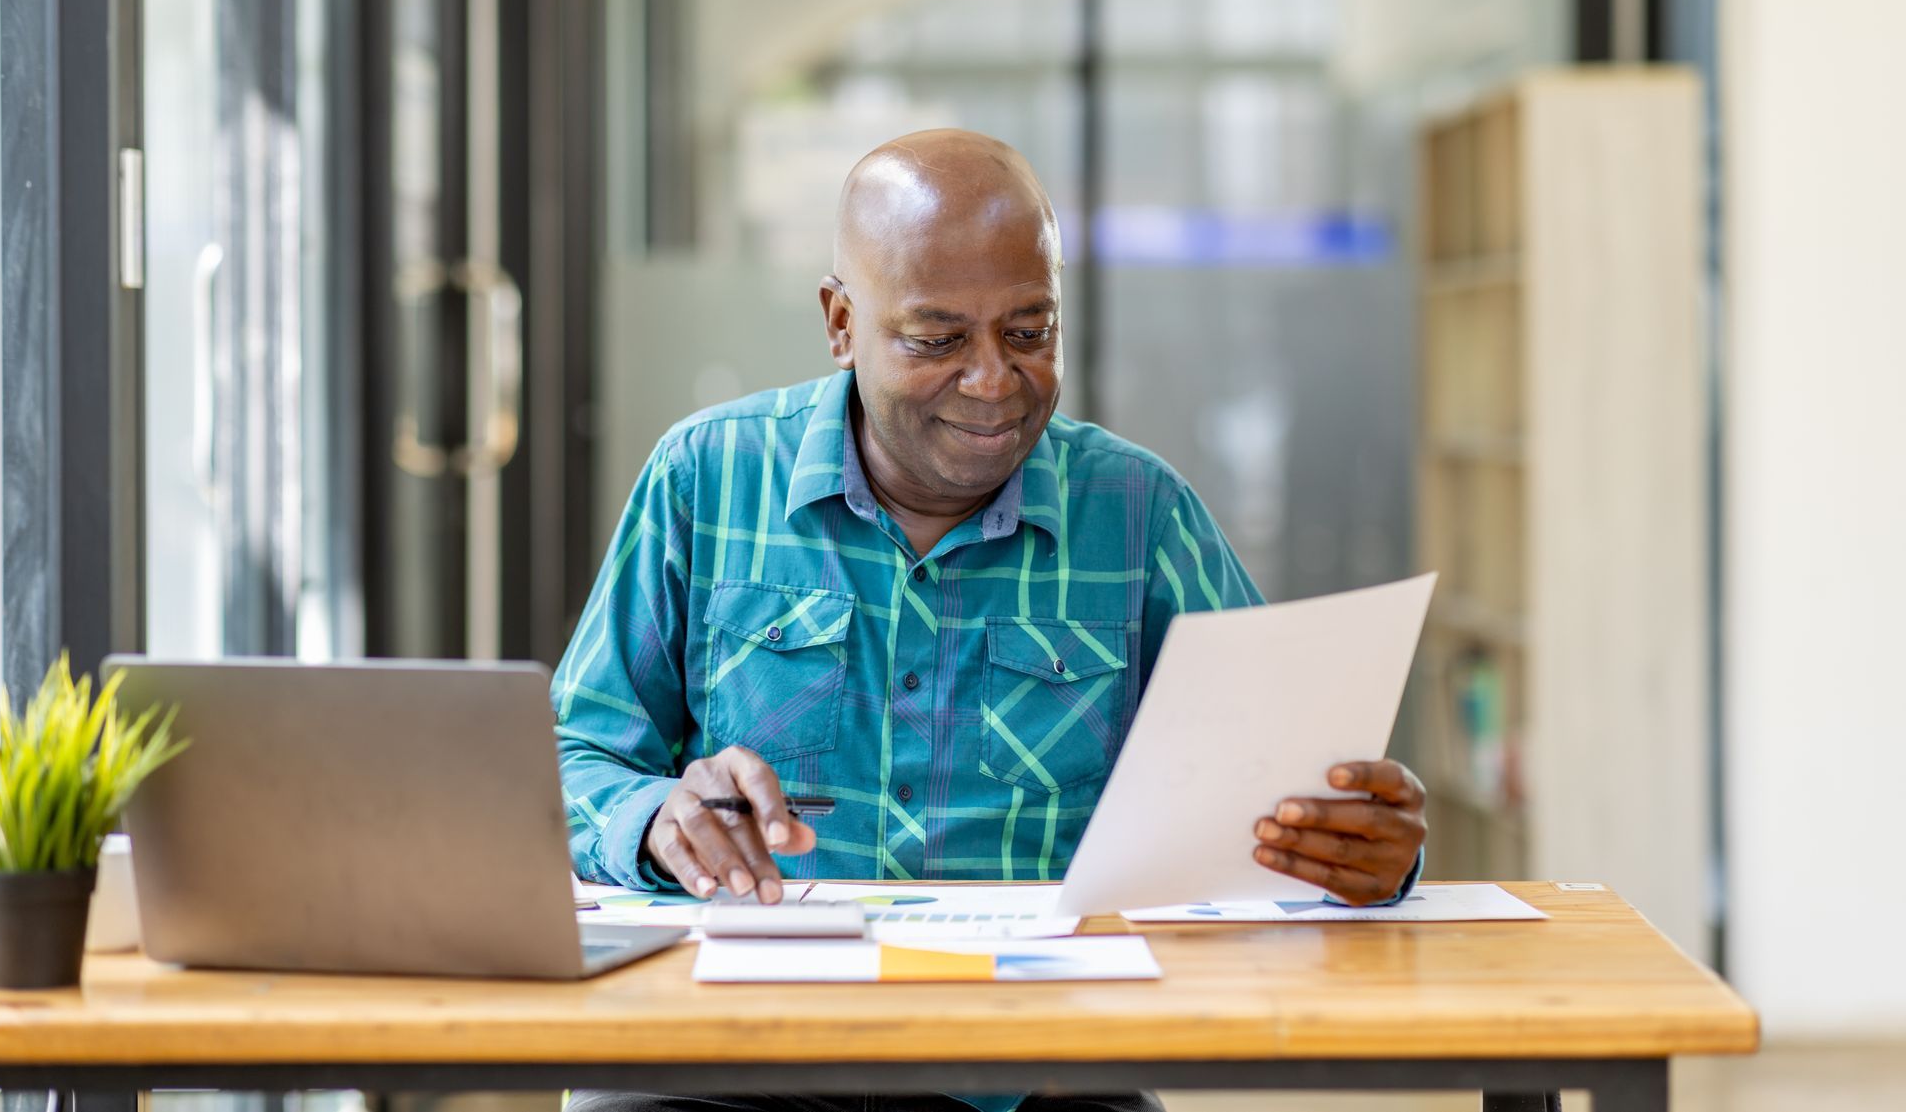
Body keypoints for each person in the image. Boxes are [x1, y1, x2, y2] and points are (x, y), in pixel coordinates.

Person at [554, 129, 1426, 1112]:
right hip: (729, 1059)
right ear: (841, 322)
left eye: (1028, 331)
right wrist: (656, 818)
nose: (992, 380)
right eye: (936, 339)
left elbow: (1289, 788)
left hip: (1036, 1067)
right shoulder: (707, 478)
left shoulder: (1137, 514)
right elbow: (569, 755)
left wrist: (1365, 849)